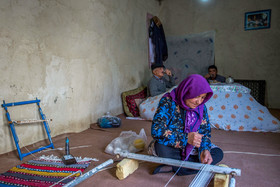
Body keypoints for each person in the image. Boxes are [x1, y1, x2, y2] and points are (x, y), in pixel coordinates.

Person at [151, 74, 223, 175]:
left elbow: (204, 134)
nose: (199, 101)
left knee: (218, 153)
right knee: (161, 147)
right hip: (174, 146)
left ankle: (174, 167)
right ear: (187, 91)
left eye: (203, 97)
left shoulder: (201, 107)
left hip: (193, 147)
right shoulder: (168, 102)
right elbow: (156, 130)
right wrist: (186, 138)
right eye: (197, 96)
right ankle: (186, 167)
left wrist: (204, 150)